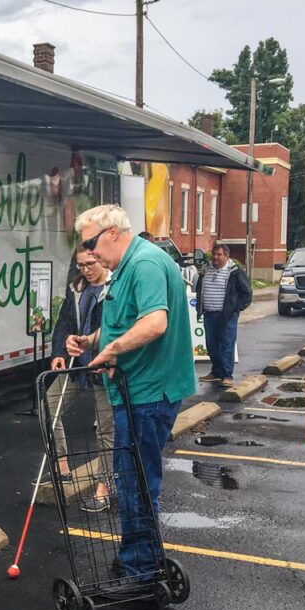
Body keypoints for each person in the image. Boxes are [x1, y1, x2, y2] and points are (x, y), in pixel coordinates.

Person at [67, 204, 194, 582]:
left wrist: (112, 351)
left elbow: (155, 322)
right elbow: (125, 323)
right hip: (134, 391)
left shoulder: (145, 264)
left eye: (90, 242)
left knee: (137, 482)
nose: (88, 252)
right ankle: (138, 557)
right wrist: (90, 341)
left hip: (148, 393)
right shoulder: (125, 269)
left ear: (111, 233)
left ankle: (141, 571)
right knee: (133, 479)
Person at [47, 245, 114, 512]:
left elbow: (117, 328)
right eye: (80, 265)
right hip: (77, 365)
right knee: (48, 406)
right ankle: (62, 465)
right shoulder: (76, 289)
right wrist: (59, 352)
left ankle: (103, 488)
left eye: (89, 264)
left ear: (101, 260)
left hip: (104, 366)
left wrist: (108, 354)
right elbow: (64, 322)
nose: (85, 270)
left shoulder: (115, 288)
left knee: (107, 431)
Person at [195, 243, 252, 388]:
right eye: (214, 254)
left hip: (227, 315)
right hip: (209, 314)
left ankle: (227, 375)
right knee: (211, 345)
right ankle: (216, 371)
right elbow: (199, 289)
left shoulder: (234, 272)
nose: (215, 257)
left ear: (227, 256)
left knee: (226, 345)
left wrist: (236, 309)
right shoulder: (205, 270)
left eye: (219, 255)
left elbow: (247, 293)